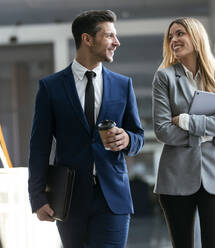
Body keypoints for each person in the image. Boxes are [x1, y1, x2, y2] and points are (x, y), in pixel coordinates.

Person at [28, 10, 144, 248]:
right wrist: (37, 197)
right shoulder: (51, 87)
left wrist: (127, 139)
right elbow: (39, 146)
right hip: (69, 198)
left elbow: (138, 136)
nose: (116, 42)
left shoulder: (123, 85)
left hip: (113, 198)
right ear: (87, 39)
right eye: (109, 36)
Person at [152, 17, 215, 248]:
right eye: (170, 37)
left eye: (180, 34)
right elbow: (163, 131)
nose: (174, 40)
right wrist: (208, 132)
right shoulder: (164, 78)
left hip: (214, 177)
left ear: (196, 37)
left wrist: (187, 121)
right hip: (175, 179)